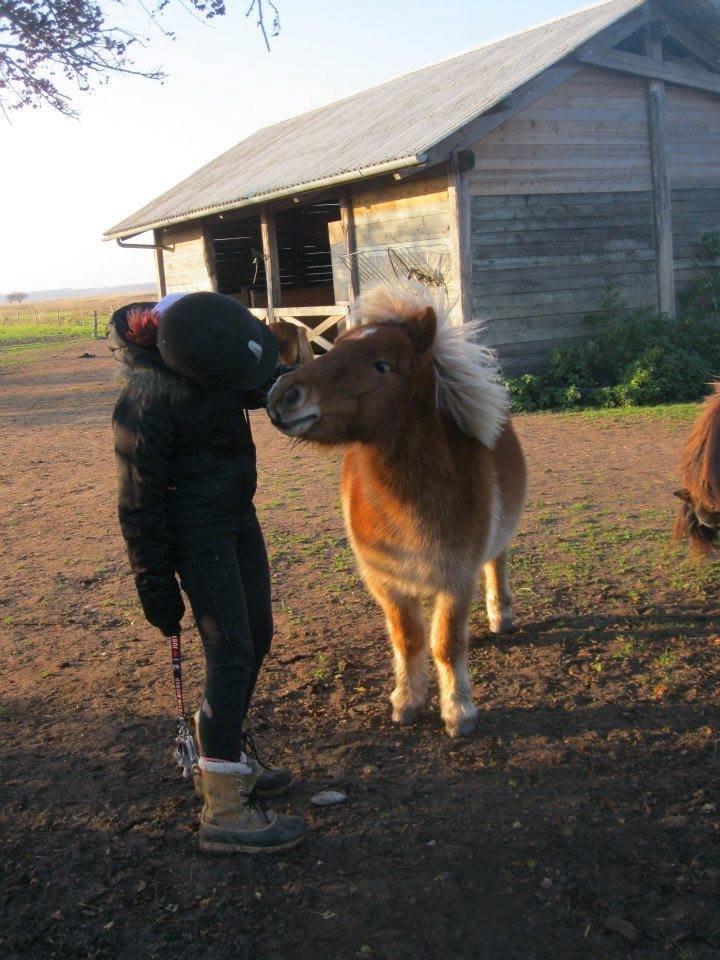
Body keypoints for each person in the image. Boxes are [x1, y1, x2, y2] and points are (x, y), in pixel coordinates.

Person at [109, 291, 307, 854]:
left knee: (257, 637)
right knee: (231, 652)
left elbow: (258, 380)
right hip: (197, 534)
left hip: (237, 516)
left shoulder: (211, 368)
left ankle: (227, 756)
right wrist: (155, 586)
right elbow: (137, 504)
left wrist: (318, 378)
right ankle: (224, 809)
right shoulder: (146, 400)